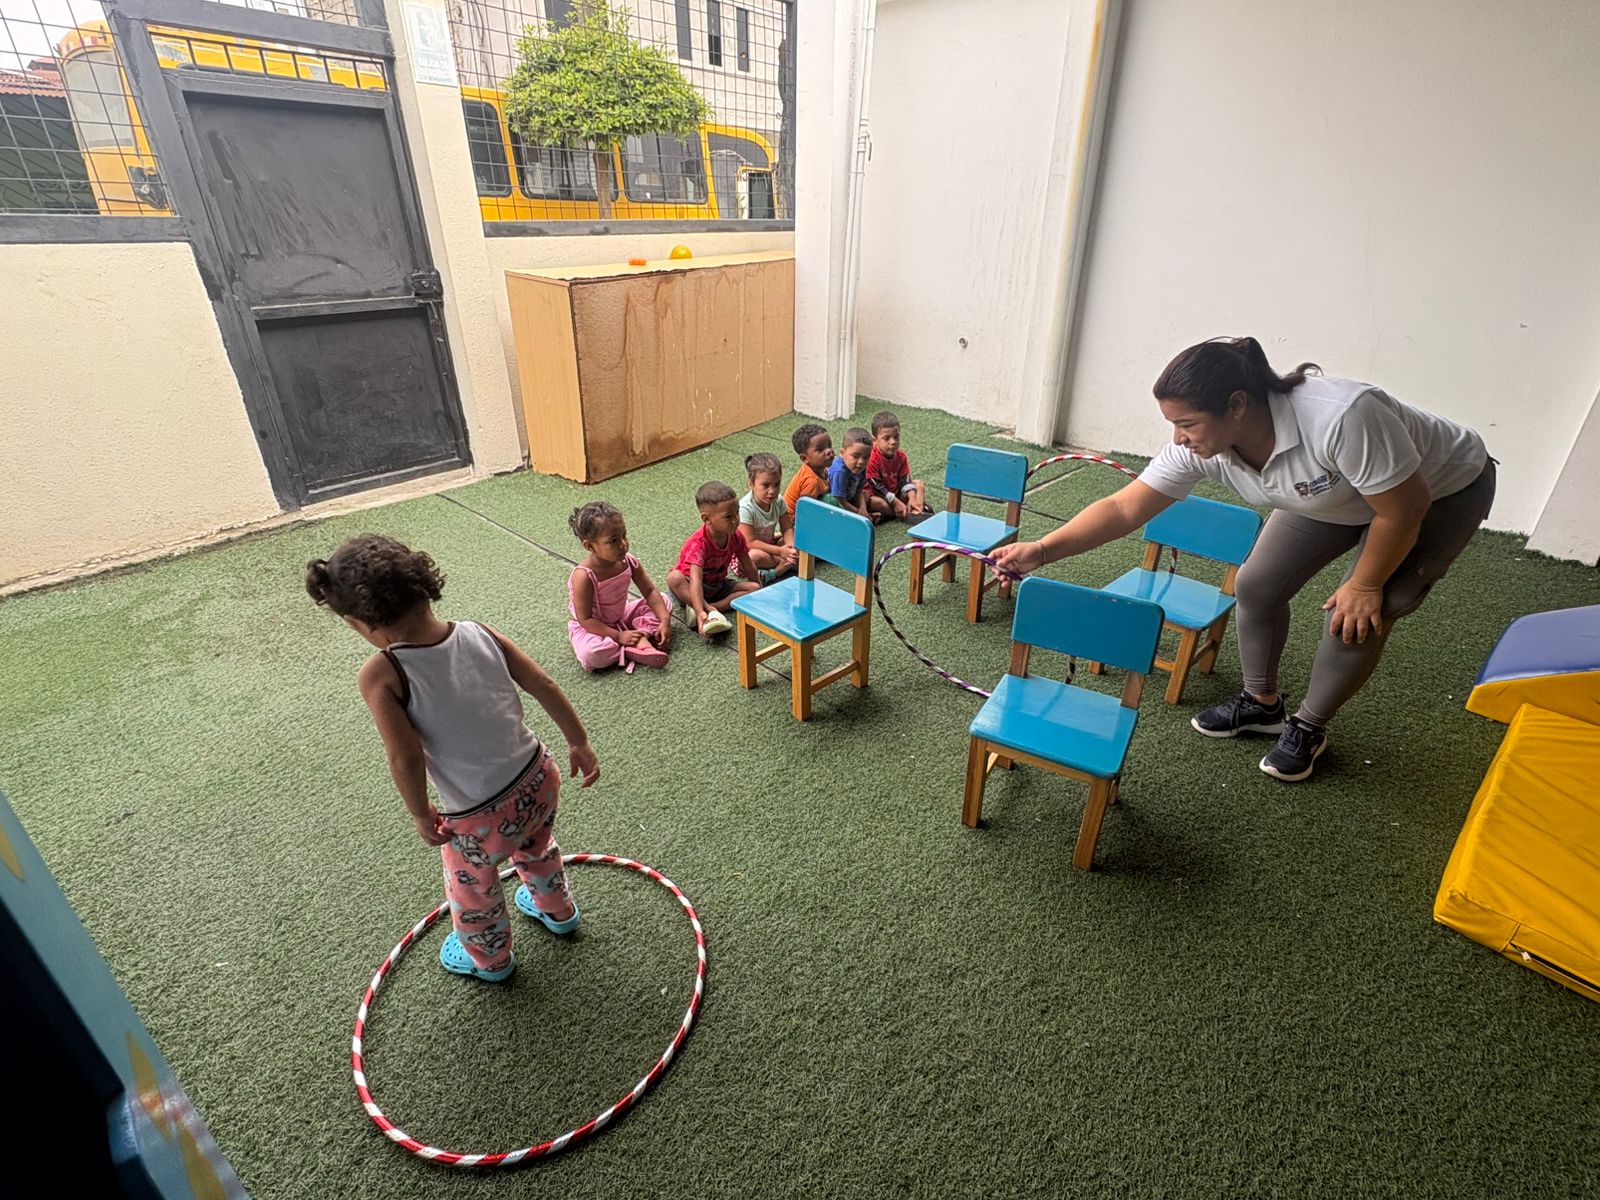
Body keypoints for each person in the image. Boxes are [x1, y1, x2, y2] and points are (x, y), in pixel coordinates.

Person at [993, 336, 1495, 783]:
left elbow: (1403, 510)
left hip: (1436, 494)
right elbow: (1125, 508)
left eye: (1187, 423)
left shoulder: (1342, 417)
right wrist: (1042, 549)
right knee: (1256, 585)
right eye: (1173, 424)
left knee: (1358, 612)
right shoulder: (1201, 447)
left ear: (1236, 405)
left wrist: (1365, 584)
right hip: (1333, 494)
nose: (1178, 438)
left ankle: (1309, 726)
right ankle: (1261, 704)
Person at [305, 534, 599, 982]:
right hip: (539, 778)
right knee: (536, 846)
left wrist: (420, 812)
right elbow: (544, 684)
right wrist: (578, 741)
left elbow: (404, 757)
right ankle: (558, 911)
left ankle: (491, 961)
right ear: (423, 586)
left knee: (474, 890)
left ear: (360, 624)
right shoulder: (479, 631)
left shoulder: (382, 674)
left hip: (477, 818)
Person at [566, 501, 673, 672]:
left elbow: (650, 591)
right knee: (592, 654)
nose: (623, 544)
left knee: (664, 601)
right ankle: (635, 645)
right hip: (594, 628)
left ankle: (640, 637)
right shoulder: (584, 576)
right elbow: (585, 620)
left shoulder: (628, 561)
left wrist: (665, 620)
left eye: (624, 535)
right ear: (590, 546)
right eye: (613, 540)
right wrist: (618, 635)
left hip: (622, 615)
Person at [667, 481, 763, 637]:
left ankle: (713, 608)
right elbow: (696, 580)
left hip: (719, 585)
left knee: (754, 588)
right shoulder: (699, 543)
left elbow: (748, 565)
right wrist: (700, 612)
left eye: (737, 512)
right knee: (674, 578)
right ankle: (701, 609)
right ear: (707, 519)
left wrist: (761, 593)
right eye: (728, 516)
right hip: (692, 586)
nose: (736, 519)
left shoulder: (735, 535)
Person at [738, 452, 798, 584]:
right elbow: (750, 542)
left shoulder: (779, 500)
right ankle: (777, 571)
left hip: (770, 545)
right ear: (751, 484)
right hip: (748, 552)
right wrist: (780, 552)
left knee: (798, 542)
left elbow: (787, 528)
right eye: (765, 485)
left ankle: (786, 562)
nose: (772, 491)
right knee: (754, 556)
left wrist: (790, 547)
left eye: (776, 485)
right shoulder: (745, 508)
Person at [865, 410, 933, 521]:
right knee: (876, 502)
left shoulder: (901, 456)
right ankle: (904, 512)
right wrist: (895, 502)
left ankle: (916, 511)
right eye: (886, 438)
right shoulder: (871, 458)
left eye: (896, 437)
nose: (893, 442)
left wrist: (911, 497)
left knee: (918, 484)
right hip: (881, 496)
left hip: (896, 494)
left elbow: (905, 480)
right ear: (875, 440)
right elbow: (877, 487)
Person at [784, 423, 836, 518]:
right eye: (820, 449)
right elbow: (806, 510)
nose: (829, 451)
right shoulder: (811, 481)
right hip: (794, 520)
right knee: (831, 500)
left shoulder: (820, 467)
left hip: (805, 511)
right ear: (805, 458)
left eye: (829, 445)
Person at [828, 427, 876, 521]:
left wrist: (863, 508)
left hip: (848, 497)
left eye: (866, 457)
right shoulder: (840, 472)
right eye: (855, 456)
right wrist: (859, 514)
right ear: (843, 453)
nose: (861, 462)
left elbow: (859, 491)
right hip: (835, 503)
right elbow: (839, 500)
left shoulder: (861, 467)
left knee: (866, 497)